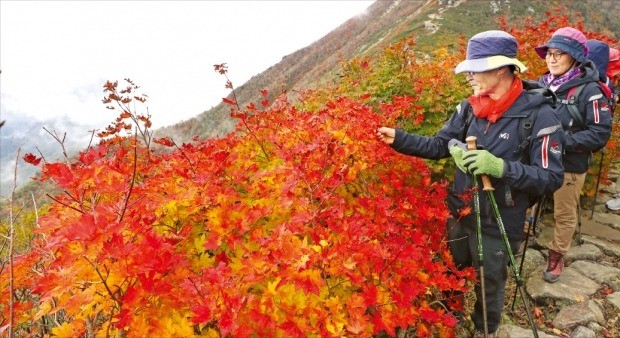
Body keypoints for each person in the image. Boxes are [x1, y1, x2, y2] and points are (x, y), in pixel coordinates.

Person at [376, 30, 564, 337]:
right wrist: (400, 138)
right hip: (460, 212)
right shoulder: (469, 108)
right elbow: (439, 145)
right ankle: (449, 319)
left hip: (501, 217)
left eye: (475, 69)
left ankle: (483, 330)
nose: (469, 76)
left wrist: (500, 167)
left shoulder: (540, 115)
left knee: (490, 284)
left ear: (501, 68)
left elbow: (551, 178)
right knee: (452, 270)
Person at [534, 27, 612, 283]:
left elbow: (600, 133)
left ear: (575, 58)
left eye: (560, 54)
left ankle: (556, 255)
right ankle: (523, 236)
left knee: (564, 212)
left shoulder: (591, 91)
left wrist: (561, 141)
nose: (552, 58)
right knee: (526, 201)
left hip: (569, 163)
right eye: (549, 53)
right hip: (535, 160)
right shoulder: (540, 84)